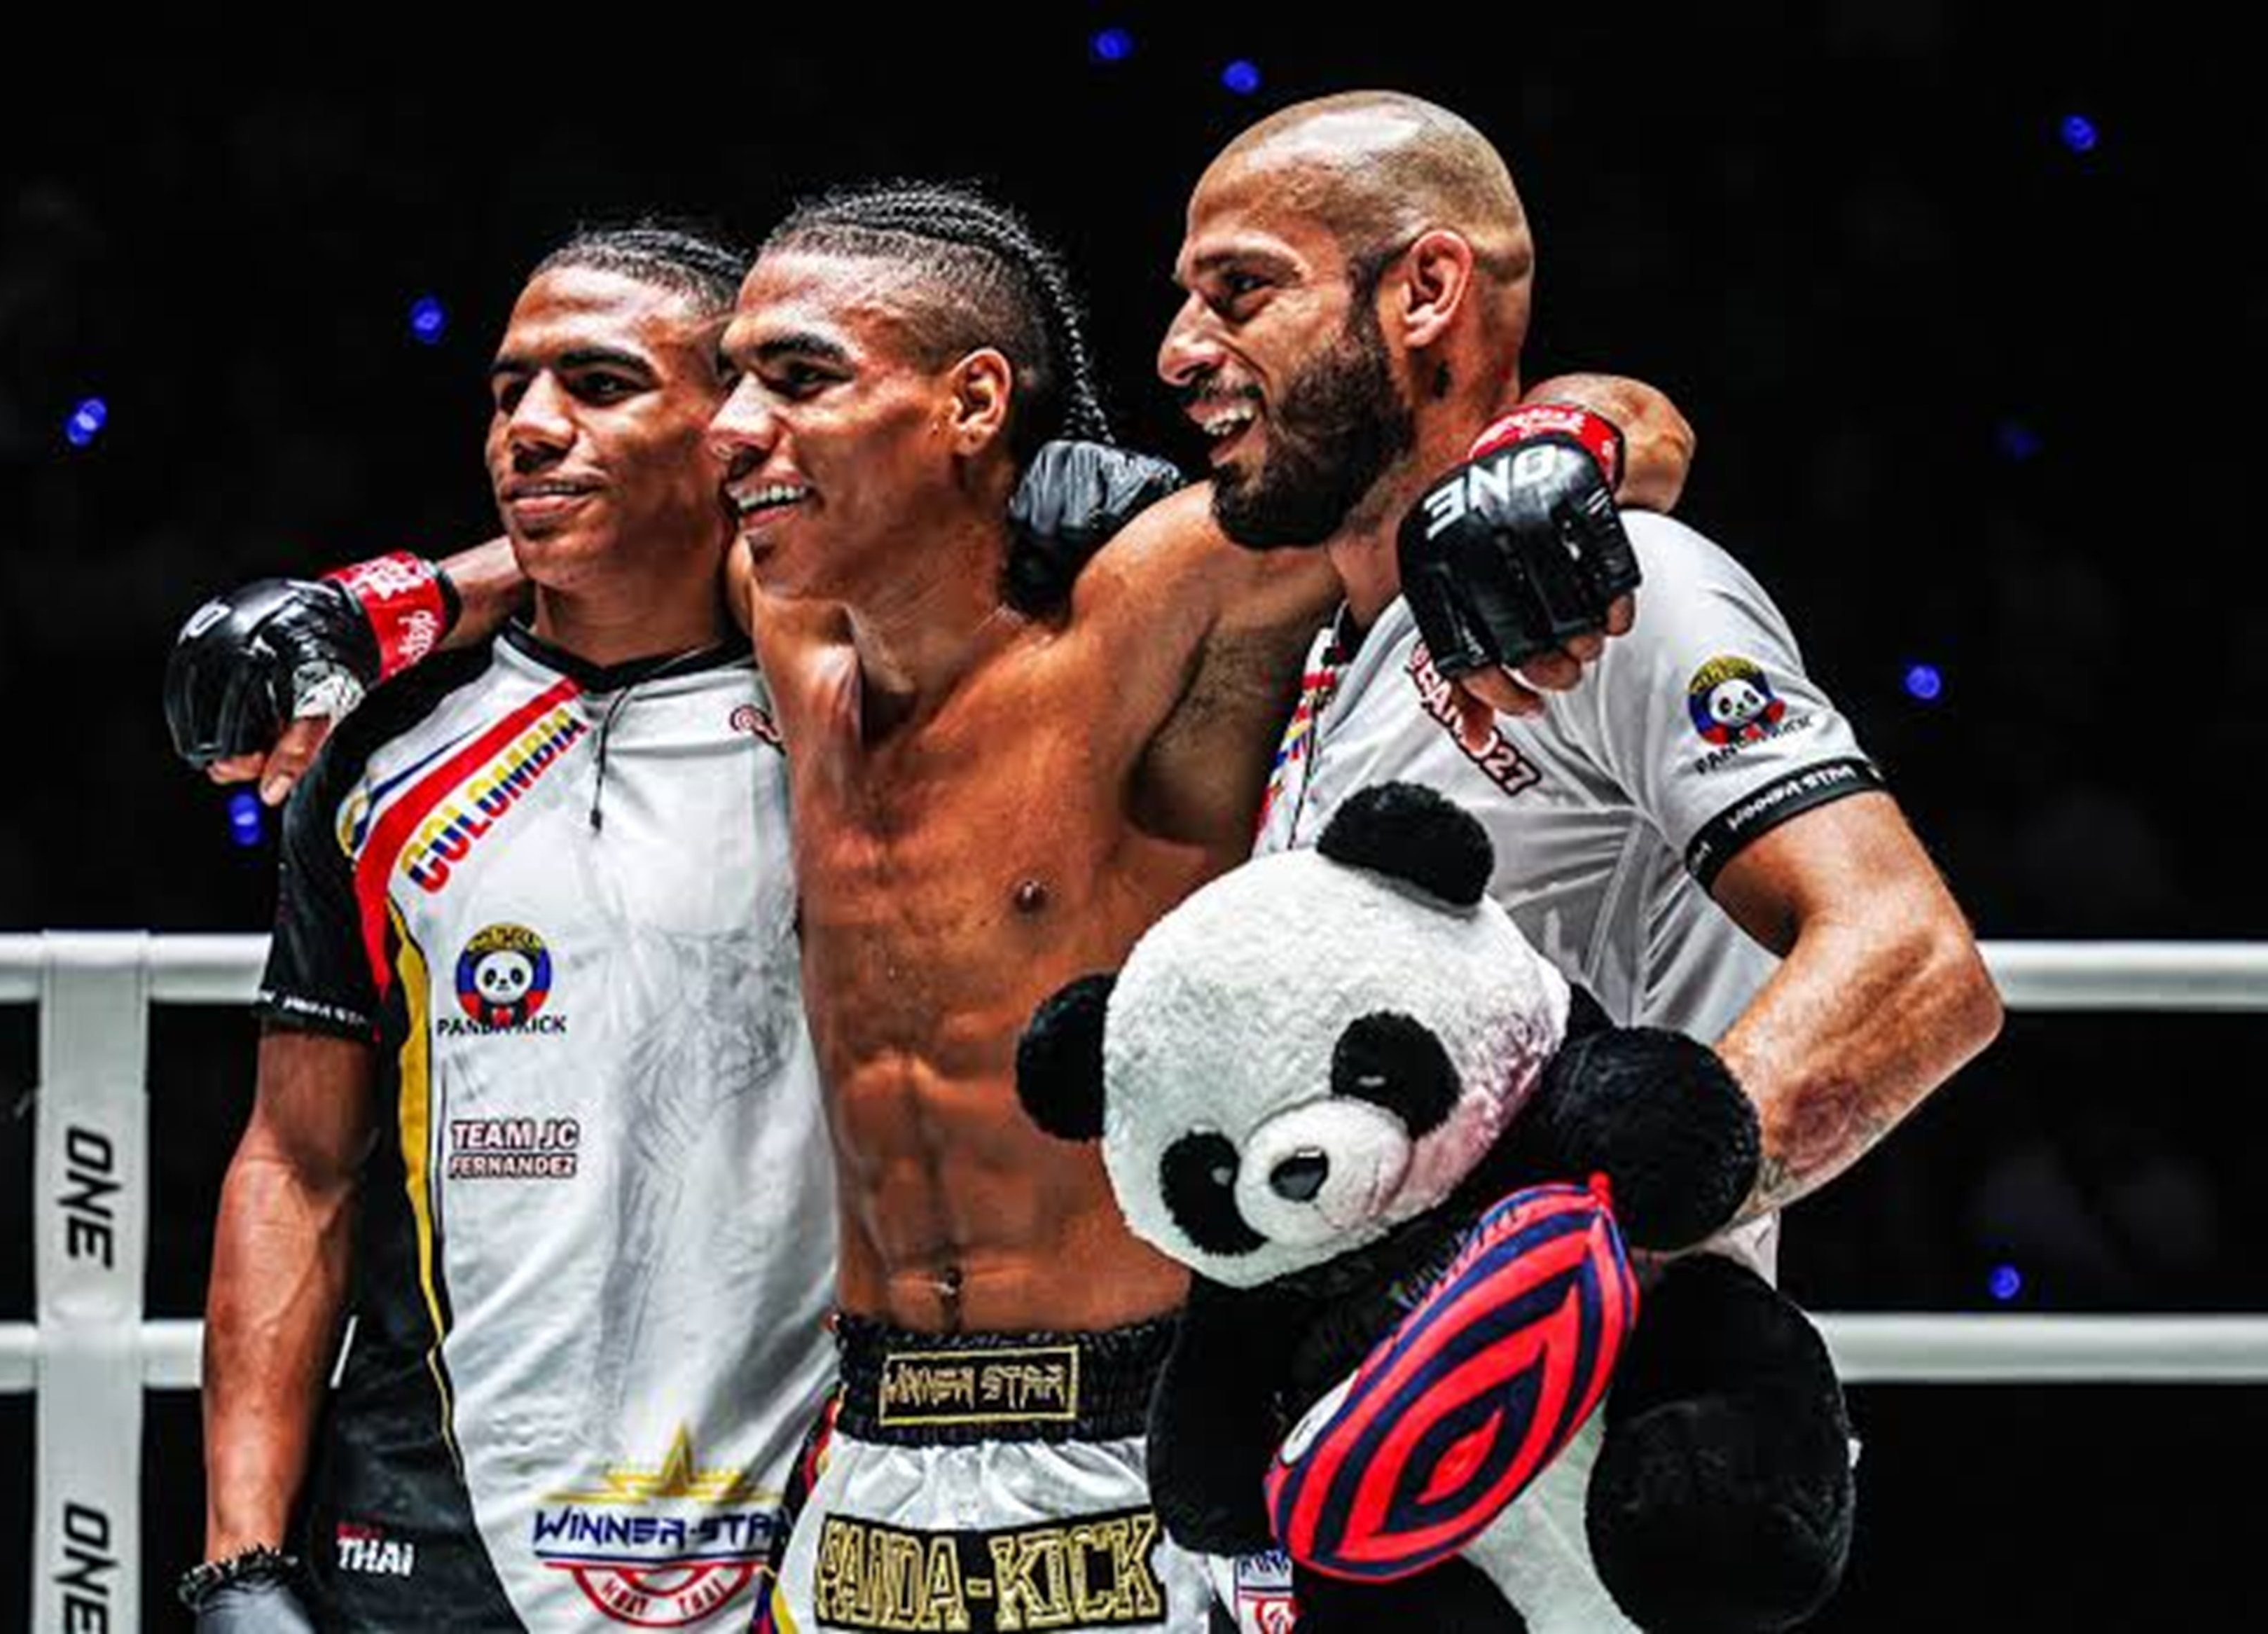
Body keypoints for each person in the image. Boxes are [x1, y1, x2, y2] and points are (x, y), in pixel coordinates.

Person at [170, 179, 1696, 1633]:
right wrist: (387, 604)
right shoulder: (789, 641)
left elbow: (1494, 444)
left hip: (1126, 1437)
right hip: (866, 1469)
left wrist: (1566, 443)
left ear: (968, 404)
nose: (735, 430)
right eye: (731, 391)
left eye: (789, 380)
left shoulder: (1154, 607)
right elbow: (594, 525)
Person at [1156, 91, 2005, 1626]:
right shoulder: (1317, 641)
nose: (1181, 350)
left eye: (1239, 289)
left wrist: (1563, 1262)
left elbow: (1911, 966)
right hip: (1376, 1512)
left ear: (1423, 294)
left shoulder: (1619, 590)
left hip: (1587, 1498)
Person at [181, 226, 838, 1632]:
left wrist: (415, 592)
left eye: (597, 385)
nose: (531, 429)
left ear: (727, 429)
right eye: (507, 392)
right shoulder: (377, 760)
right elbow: (297, 1161)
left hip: (799, 1526)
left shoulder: (856, 725)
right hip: (434, 1532)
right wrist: (240, 1560)